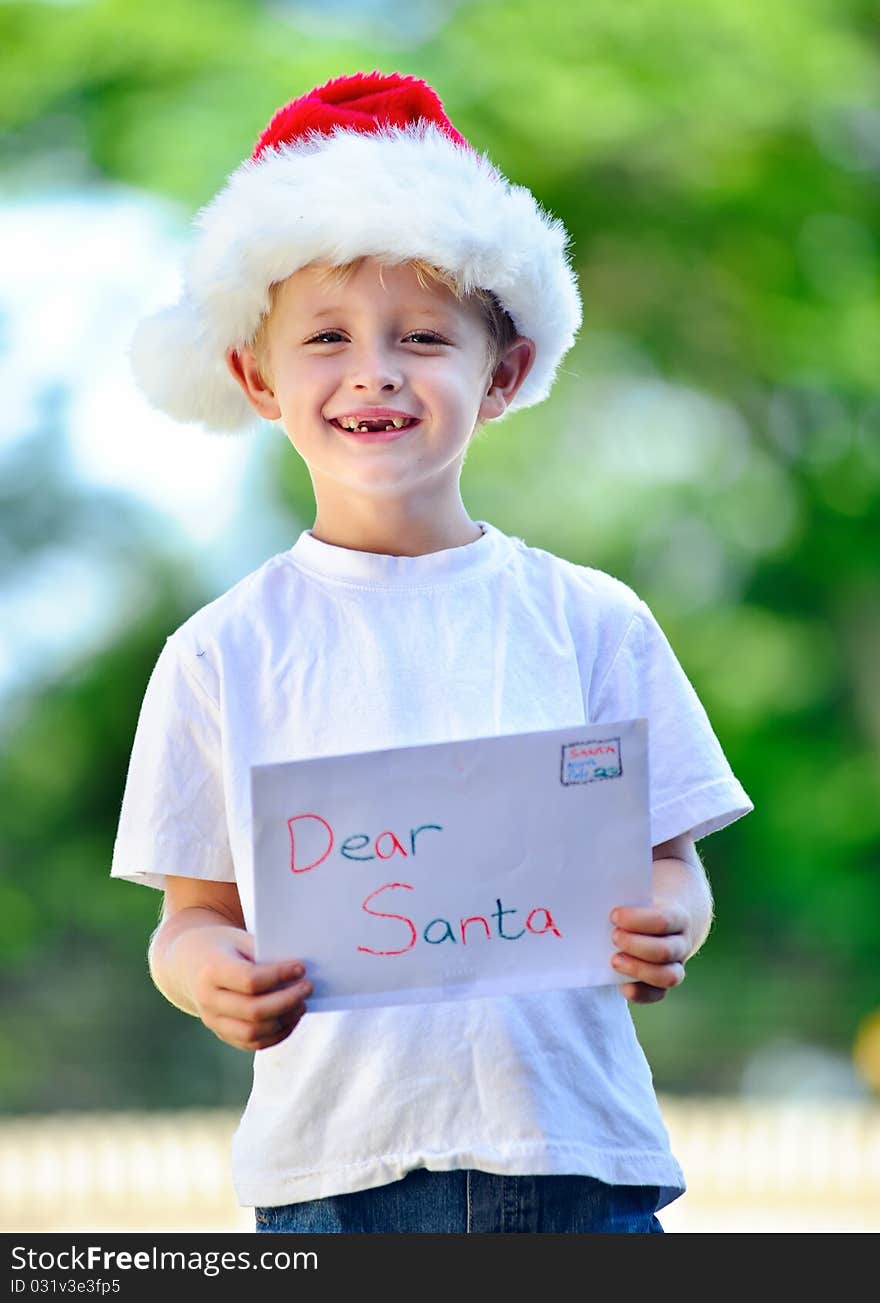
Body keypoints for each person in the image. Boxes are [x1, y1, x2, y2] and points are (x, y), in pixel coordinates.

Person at [111, 70, 754, 1234]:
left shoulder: (592, 619)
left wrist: (669, 922)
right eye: (324, 338)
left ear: (501, 373)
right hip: (332, 1178)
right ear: (255, 376)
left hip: (576, 1158)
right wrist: (207, 978)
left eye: (422, 336)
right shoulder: (221, 653)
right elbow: (188, 915)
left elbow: (672, 862)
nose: (375, 370)